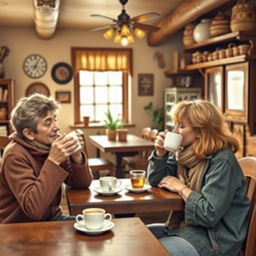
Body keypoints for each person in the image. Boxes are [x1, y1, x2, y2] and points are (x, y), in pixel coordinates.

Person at [147, 100, 250, 256]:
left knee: (147, 250)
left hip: (214, 239)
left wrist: (182, 189)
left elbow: (209, 214)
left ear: (201, 131)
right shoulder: (185, 153)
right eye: (175, 125)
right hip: (186, 228)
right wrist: (160, 154)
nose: (174, 131)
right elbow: (156, 182)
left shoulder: (222, 161)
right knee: (137, 237)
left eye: (181, 126)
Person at [0, 93, 93, 223]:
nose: (57, 127)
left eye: (54, 119)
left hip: (51, 219)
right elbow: (34, 209)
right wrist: (53, 160)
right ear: (29, 133)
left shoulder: (47, 144)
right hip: (20, 228)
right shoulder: (14, 156)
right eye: (48, 123)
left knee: (96, 226)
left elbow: (81, 184)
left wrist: (76, 155)